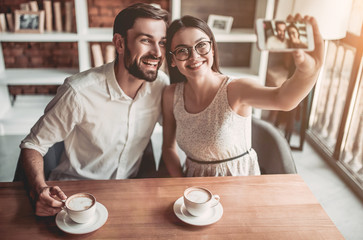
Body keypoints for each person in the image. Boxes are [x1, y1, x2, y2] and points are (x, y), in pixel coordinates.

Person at [19, 3, 169, 216]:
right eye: (145, 40)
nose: (156, 53)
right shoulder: (79, 92)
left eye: (162, 42)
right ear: (120, 43)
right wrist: (40, 188)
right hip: (74, 195)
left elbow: (181, 129)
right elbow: (33, 144)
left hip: (127, 193)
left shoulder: (161, 86)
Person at [162, 14, 323, 177]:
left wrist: (307, 71)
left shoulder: (236, 89)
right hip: (195, 191)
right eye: (182, 50)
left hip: (238, 184)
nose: (194, 56)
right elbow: (168, 148)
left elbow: (283, 100)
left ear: (212, 48)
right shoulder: (171, 95)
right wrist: (183, 184)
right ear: (173, 59)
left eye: (201, 45)